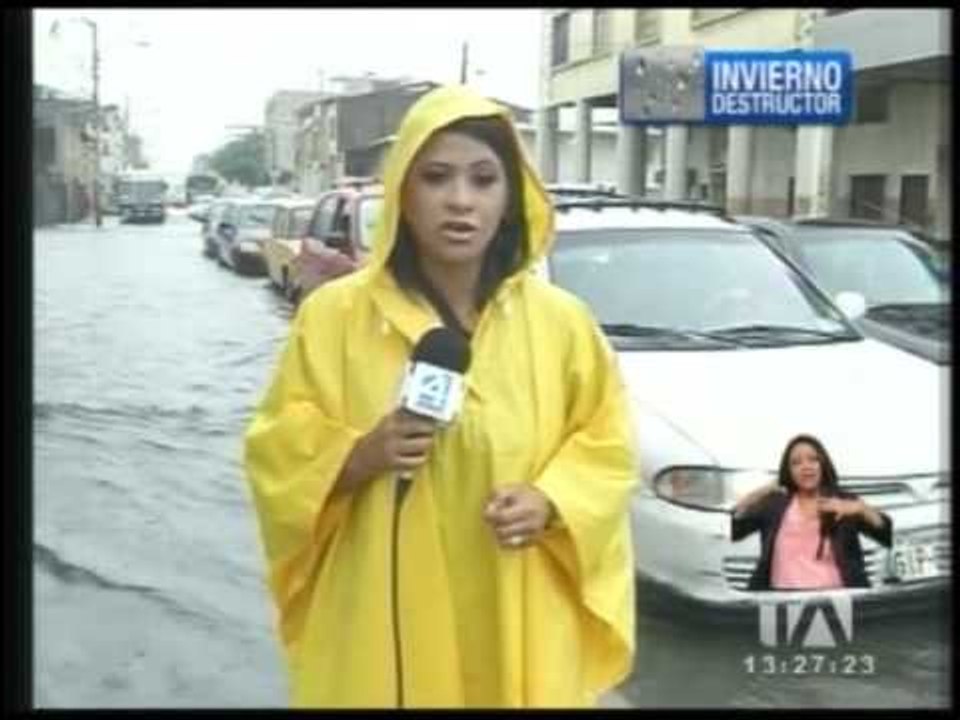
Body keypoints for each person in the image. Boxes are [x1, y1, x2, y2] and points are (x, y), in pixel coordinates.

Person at [243, 85, 639, 708]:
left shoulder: (562, 323)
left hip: (518, 607)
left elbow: (608, 443)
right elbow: (273, 449)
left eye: (484, 180)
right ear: (403, 189)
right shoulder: (335, 317)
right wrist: (359, 453)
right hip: (378, 618)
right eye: (437, 177)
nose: (460, 201)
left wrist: (551, 499)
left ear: (510, 199)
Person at [731, 433, 892, 590]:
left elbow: (887, 536)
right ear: (788, 471)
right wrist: (763, 491)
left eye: (813, 459)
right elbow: (733, 529)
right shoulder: (774, 505)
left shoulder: (844, 501)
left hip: (838, 603)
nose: (806, 466)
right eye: (796, 462)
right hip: (780, 605)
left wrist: (862, 509)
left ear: (823, 464)